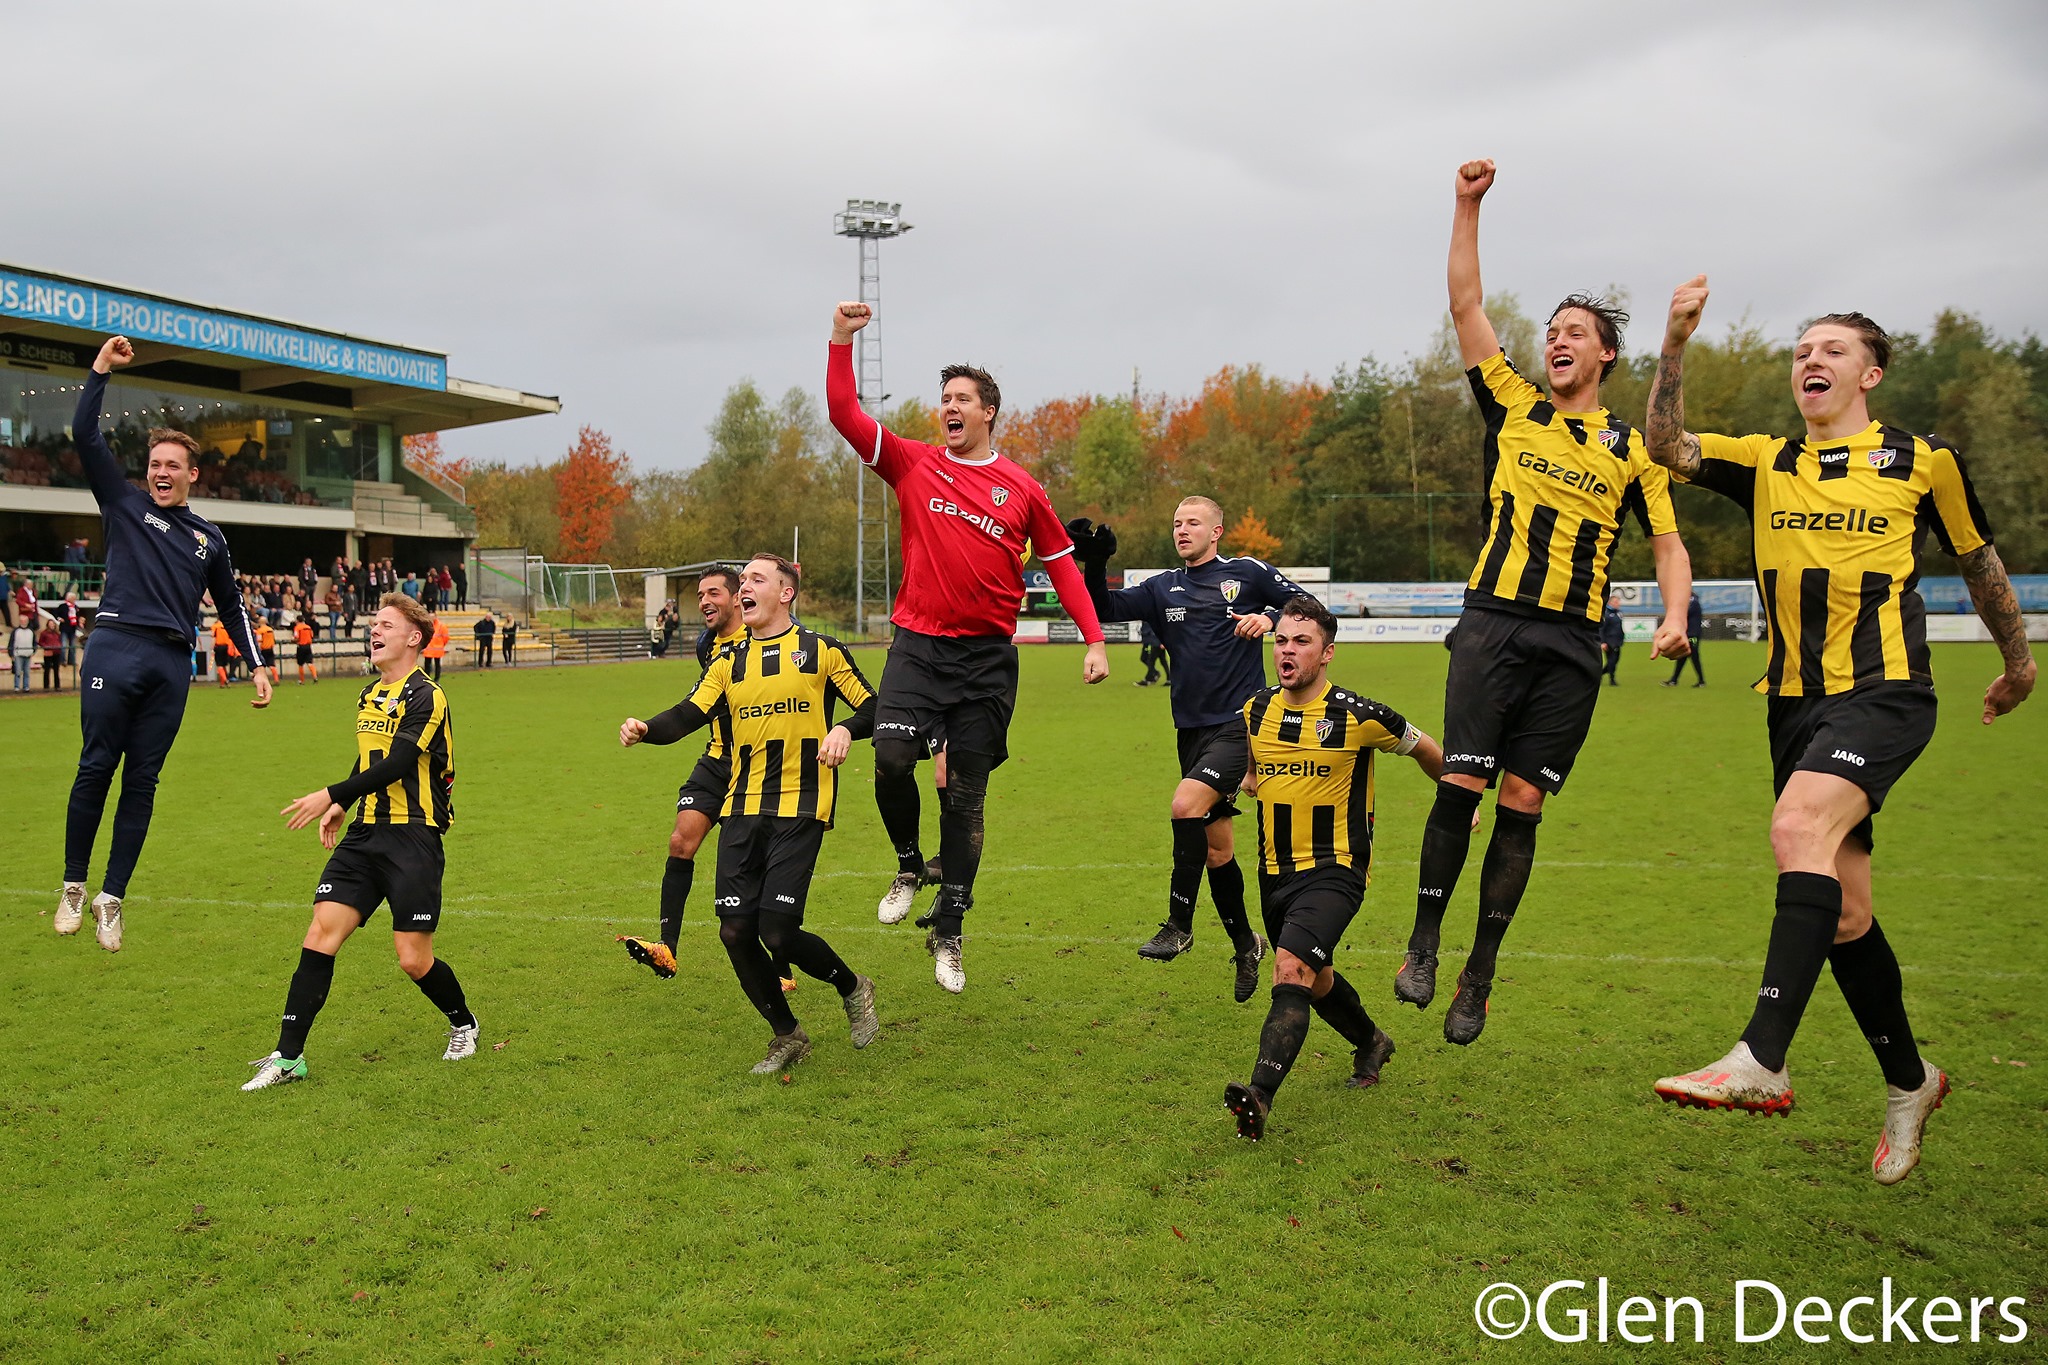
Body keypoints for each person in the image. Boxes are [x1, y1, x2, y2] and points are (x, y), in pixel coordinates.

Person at [1644, 284, 2036, 1183]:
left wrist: (2017, 663)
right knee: (1846, 912)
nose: (1810, 361)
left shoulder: (1923, 460)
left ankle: (1763, 1057)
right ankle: (1912, 1080)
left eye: (1830, 350)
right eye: (1800, 350)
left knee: (1795, 831)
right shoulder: (1767, 460)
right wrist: (1673, 342)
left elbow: (1979, 561)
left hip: (1886, 691)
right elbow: (1666, 446)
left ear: (1871, 372)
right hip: (1792, 703)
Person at [1396, 160, 1693, 1046]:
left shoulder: (1634, 451)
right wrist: (1465, 206)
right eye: (1554, 330)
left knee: (1521, 799)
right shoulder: (1515, 404)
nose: (1559, 340)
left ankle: (1479, 975)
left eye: (1577, 332)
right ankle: (1422, 943)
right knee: (1461, 781)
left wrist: (1674, 616)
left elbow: (1670, 545)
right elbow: (1465, 306)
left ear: (1606, 355)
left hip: (1573, 645)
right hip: (1490, 624)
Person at [827, 301, 1109, 994]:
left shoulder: (1022, 488)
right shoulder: (914, 464)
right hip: (917, 649)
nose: (947, 406)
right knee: (892, 760)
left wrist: (1095, 638)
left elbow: (1064, 562)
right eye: (943, 397)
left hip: (986, 660)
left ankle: (949, 927)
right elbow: (844, 414)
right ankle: (906, 862)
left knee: (966, 795)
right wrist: (839, 341)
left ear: (988, 412)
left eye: (961, 398)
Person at [619, 554, 882, 1074]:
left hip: (802, 806)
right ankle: (787, 1035)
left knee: (779, 932)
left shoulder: (821, 651)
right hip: (742, 805)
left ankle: (854, 988)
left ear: (786, 593)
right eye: (742, 580)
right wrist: (647, 728)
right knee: (736, 931)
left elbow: (875, 704)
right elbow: (688, 714)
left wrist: (846, 729)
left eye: (756, 579)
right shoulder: (727, 661)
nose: (744, 587)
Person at [54, 336, 270, 953]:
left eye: (173, 465)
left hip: (173, 663)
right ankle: (73, 883)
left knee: (142, 783)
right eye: (155, 465)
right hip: (115, 646)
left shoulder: (210, 538)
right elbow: (85, 436)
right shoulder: (121, 503)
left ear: (192, 475)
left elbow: (229, 605)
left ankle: (110, 899)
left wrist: (255, 665)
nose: (161, 473)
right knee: (96, 766)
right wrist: (99, 370)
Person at [1074, 496, 1319, 998]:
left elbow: (1309, 608)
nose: (1182, 530)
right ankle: (1245, 944)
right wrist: (1095, 563)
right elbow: (1102, 608)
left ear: (1217, 530)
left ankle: (1178, 924)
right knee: (1216, 851)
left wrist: (1271, 618)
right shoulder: (1164, 588)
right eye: (1176, 523)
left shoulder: (1247, 573)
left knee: (1185, 805)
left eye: (1192, 523)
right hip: (1191, 731)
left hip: (1242, 727)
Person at [1223, 597, 1445, 1140]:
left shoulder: (1360, 715)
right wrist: (1246, 782)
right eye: (1281, 640)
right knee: (1315, 979)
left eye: (1301, 642)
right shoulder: (1255, 710)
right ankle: (1371, 1042)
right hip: (1273, 871)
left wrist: (1461, 801)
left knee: (1290, 970)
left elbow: (1426, 748)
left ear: (1327, 654)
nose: (1287, 651)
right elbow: (1251, 771)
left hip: (1336, 870)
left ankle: (1259, 1096)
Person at [244, 594, 476, 1089]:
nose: (374, 631)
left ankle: (463, 1023)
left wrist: (328, 792)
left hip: (414, 835)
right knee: (320, 934)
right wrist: (342, 804)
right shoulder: (369, 694)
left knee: (413, 959)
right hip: (365, 835)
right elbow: (372, 760)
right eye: (373, 624)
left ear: (413, 638)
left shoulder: (427, 696)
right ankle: (288, 1058)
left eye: (385, 625)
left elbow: (399, 761)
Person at [616, 567, 799, 988]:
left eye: (713, 593)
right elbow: (692, 709)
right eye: (699, 595)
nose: (703, 602)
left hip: (759, 767)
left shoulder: (771, 641)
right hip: (718, 759)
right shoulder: (707, 645)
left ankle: (781, 965)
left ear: (738, 598)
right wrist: (647, 729)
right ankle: (667, 948)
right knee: (682, 841)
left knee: (752, 863)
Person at [1664, 591, 1706, 687]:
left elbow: (1684, 612)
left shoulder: (1693, 601)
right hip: (1688, 633)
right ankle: (1674, 680)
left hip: (1693, 634)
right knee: (1682, 656)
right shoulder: (1691, 600)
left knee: (1694, 656)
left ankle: (1701, 681)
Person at [1136, 618, 1169, 687]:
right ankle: (1168, 678)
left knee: (1151, 661)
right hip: (1153, 642)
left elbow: (1150, 631)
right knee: (1162, 661)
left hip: (1155, 643)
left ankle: (1149, 678)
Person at [1599, 594, 1625, 685]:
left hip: (1617, 641)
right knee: (1612, 660)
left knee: (1615, 660)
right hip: (1609, 641)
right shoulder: (1606, 614)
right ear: (1610, 602)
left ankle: (1600, 674)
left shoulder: (1618, 613)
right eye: (1616, 602)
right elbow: (1602, 629)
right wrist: (1602, 642)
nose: (1618, 604)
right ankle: (1612, 679)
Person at [56, 591, 83, 667]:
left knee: (72, 646)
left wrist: (79, 622)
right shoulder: (62, 606)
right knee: (64, 645)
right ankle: (62, 661)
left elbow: (77, 616)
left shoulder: (75, 607)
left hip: (72, 628)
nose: (74, 599)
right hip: (64, 628)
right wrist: (59, 618)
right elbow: (56, 613)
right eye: (73, 598)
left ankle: (71, 661)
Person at [9, 614, 33, 691]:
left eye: (25, 621)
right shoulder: (15, 631)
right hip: (18, 654)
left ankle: (26, 687)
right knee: (18, 671)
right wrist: (11, 654)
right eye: (22, 621)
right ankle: (17, 686)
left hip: (28, 654)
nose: (23, 622)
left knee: (27, 672)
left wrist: (33, 651)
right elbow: (11, 643)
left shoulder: (31, 631)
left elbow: (34, 642)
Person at [423, 613, 448, 682]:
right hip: (429, 649)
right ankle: (427, 678)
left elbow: (445, 637)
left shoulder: (441, 626)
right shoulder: (427, 625)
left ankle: (436, 679)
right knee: (427, 665)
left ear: (435, 617)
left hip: (436, 649)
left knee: (437, 665)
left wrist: (441, 645)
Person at [40, 617, 63, 690]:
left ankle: (57, 686)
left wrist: (59, 645)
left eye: (53, 624)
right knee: (47, 669)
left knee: (56, 670)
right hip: (48, 652)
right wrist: (46, 647)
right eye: (50, 624)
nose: (52, 625)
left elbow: (60, 641)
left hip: (57, 652)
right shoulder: (44, 633)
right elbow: (41, 642)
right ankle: (46, 686)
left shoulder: (57, 633)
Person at [256, 617, 281, 685]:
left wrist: (258, 649)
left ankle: (261, 681)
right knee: (272, 665)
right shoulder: (270, 629)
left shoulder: (260, 631)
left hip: (263, 649)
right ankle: (276, 679)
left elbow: (259, 641)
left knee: (260, 666)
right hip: (270, 649)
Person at [293, 616, 317, 685]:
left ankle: (302, 680)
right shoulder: (308, 627)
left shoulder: (297, 628)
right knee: (310, 663)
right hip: (308, 646)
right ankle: (315, 677)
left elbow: (296, 638)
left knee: (300, 664)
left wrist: (292, 640)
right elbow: (311, 636)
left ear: (297, 620)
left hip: (301, 646)